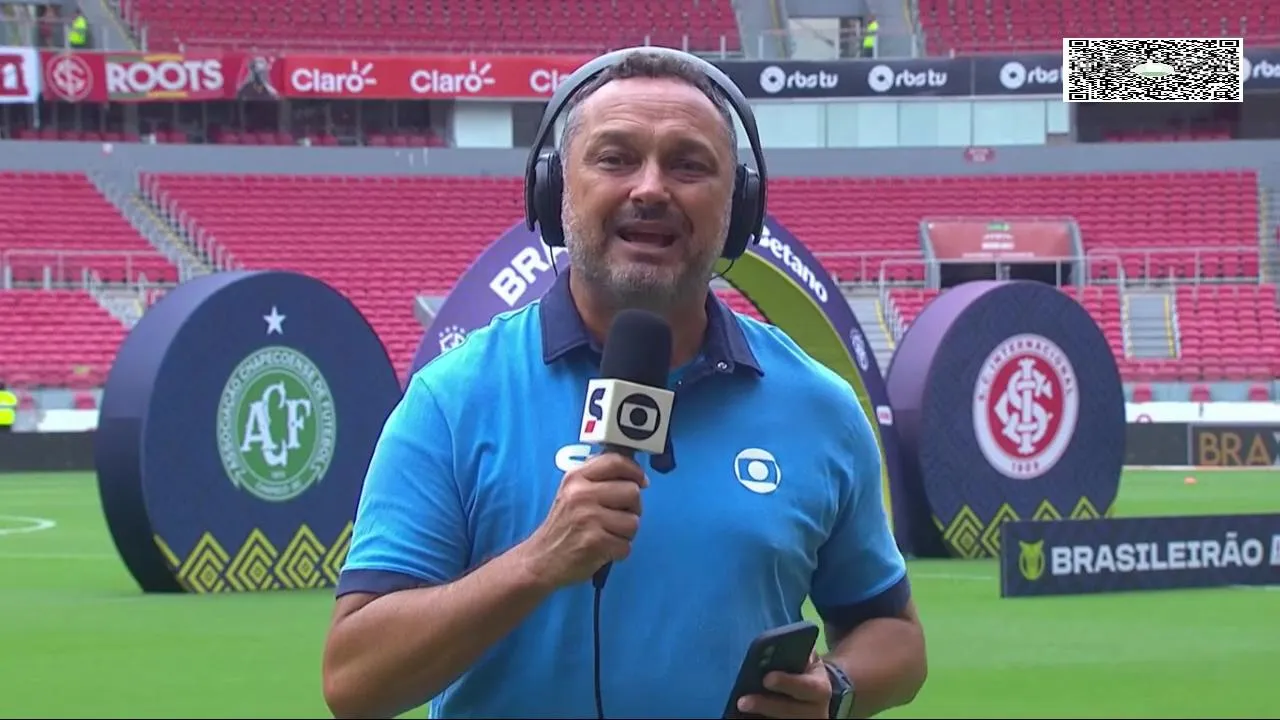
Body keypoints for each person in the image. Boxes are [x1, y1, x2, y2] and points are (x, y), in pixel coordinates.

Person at [321, 48, 927, 720]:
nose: (651, 189)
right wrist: (535, 563)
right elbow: (356, 682)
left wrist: (836, 689)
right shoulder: (453, 400)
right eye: (615, 158)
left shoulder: (820, 407)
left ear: (739, 205)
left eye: (689, 165)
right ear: (556, 191)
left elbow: (894, 635)